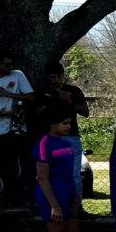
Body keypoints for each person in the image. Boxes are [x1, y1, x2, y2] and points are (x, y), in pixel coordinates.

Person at [34, 111, 91, 232]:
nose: (68, 126)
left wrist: (75, 196)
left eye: (69, 123)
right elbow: (42, 178)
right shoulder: (43, 144)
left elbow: (69, 174)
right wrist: (55, 206)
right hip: (51, 197)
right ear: (52, 123)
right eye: (64, 123)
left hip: (68, 194)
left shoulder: (66, 144)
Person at [38, 63, 89, 211]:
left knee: (74, 174)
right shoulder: (43, 92)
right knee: (51, 174)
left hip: (70, 136)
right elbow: (37, 112)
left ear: (63, 76)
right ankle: (55, 205)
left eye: (59, 77)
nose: (56, 80)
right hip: (50, 138)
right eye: (53, 77)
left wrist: (70, 101)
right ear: (48, 77)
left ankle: (77, 207)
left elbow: (85, 112)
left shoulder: (72, 91)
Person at [0, 49, 35, 208]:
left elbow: (31, 97)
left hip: (11, 130)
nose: (10, 67)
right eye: (6, 64)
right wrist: (0, 114)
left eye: (12, 64)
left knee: (11, 167)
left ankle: (10, 200)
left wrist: (9, 95)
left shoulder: (17, 75)